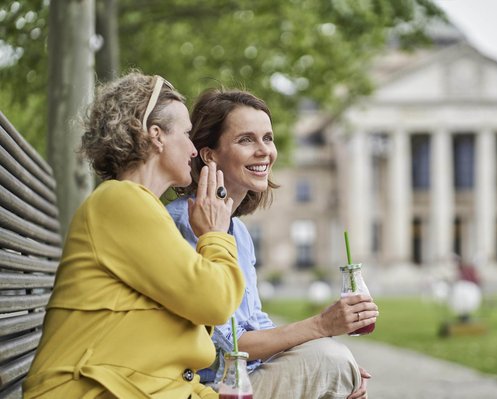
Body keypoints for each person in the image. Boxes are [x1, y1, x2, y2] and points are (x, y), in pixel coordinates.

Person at [23, 72, 245, 398]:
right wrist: (215, 233)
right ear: (156, 135)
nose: (194, 150)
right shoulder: (121, 201)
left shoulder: (138, 208)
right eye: (186, 134)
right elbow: (215, 301)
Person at [167, 88, 379, 399]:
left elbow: (255, 324)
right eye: (246, 139)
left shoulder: (237, 231)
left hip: (244, 379)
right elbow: (230, 348)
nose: (264, 150)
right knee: (331, 361)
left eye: (268, 138)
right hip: (206, 389)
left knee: (334, 362)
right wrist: (322, 326)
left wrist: (326, 361)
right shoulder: (182, 225)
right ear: (209, 155)